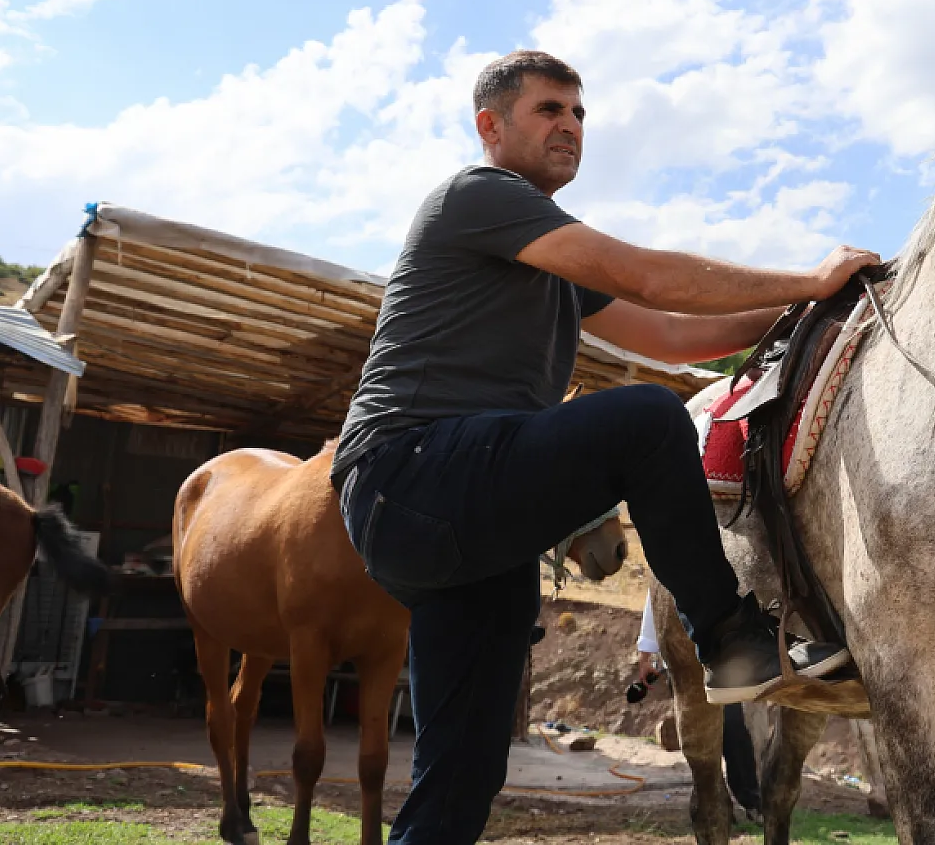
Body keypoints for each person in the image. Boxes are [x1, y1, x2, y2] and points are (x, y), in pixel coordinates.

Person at [331, 50, 878, 844]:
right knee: (648, 422)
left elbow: (670, 333)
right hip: (410, 473)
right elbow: (651, 278)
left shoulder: (553, 263)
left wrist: (804, 316)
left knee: (463, 776)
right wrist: (806, 279)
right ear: (491, 125)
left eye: (580, 113)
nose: (571, 125)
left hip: (468, 525)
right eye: (550, 109)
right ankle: (729, 635)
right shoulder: (478, 196)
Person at [636, 592, 760, 820]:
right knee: (699, 736)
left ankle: (751, 800)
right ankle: (713, 799)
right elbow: (654, 599)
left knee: (732, 727)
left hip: (719, 655)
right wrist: (645, 655)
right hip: (683, 663)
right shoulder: (665, 560)